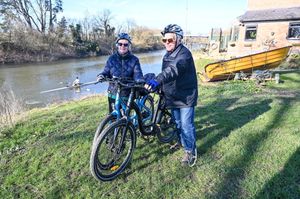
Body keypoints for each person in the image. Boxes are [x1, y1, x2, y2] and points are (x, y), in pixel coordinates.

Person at [145, 24, 198, 166]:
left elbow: (173, 70)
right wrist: (158, 85)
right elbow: (166, 74)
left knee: (187, 125)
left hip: (186, 96)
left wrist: (158, 80)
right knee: (178, 123)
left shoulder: (184, 54)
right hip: (173, 95)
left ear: (179, 39)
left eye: (170, 40)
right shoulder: (167, 55)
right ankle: (182, 143)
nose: (167, 43)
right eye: (164, 40)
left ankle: (190, 151)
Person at [97, 33, 144, 112]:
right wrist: (101, 76)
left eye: (125, 44)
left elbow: (137, 74)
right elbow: (106, 71)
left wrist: (139, 80)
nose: (123, 46)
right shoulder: (111, 58)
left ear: (129, 46)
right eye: (120, 44)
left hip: (127, 92)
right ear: (117, 45)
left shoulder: (134, 59)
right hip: (113, 92)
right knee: (113, 116)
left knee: (126, 118)